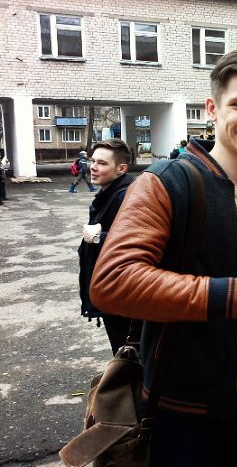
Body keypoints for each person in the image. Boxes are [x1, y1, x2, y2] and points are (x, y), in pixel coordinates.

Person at [90, 49, 237, 466]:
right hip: (183, 410)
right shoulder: (167, 182)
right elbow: (112, 282)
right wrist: (232, 295)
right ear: (212, 109)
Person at [78, 139, 135, 355]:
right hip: (113, 289)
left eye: (102, 163)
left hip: (122, 294)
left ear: (121, 168)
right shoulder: (110, 193)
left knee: (128, 355)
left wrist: (98, 238)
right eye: (93, 161)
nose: (93, 167)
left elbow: (140, 240)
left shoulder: (125, 196)